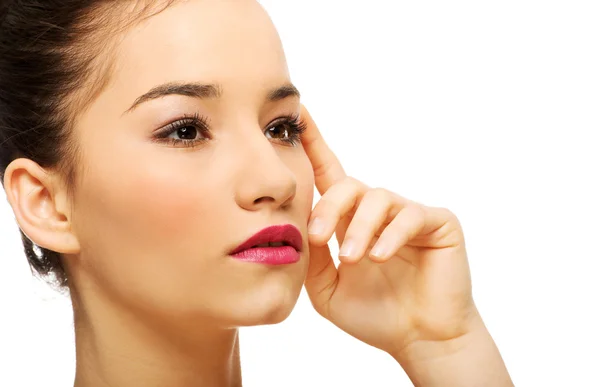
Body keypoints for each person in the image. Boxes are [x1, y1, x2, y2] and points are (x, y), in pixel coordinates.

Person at [0, 1, 512, 386]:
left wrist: (444, 350)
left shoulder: (443, 352)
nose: (277, 180)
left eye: (281, 128)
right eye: (185, 130)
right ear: (46, 204)